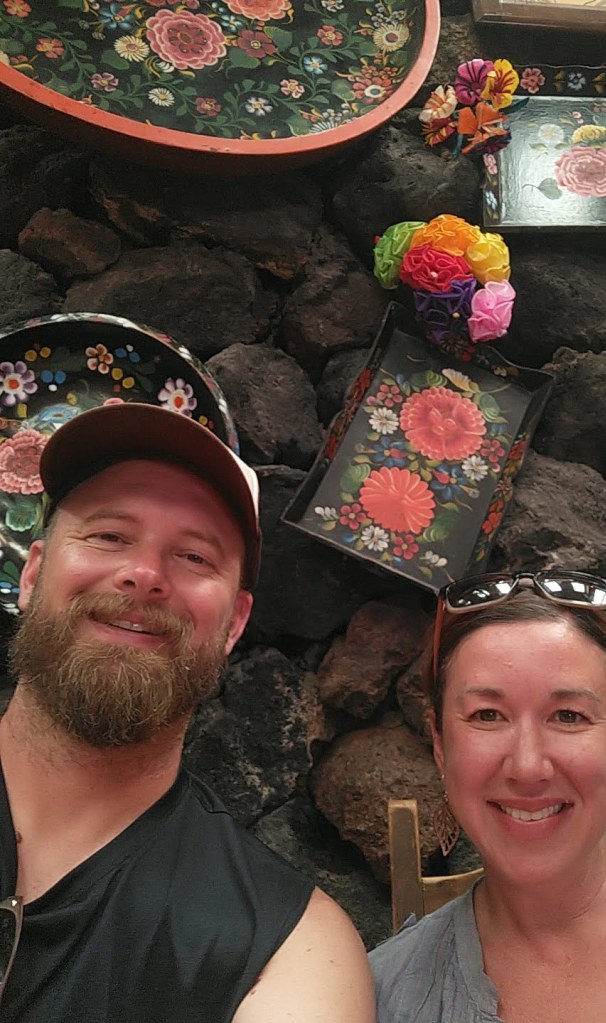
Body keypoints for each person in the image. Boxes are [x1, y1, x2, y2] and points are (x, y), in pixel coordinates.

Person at [0, 402, 375, 1023]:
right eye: (109, 536)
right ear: (34, 574)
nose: (143, 575)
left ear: (235, 623)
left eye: (195, 557)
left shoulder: (285, 951)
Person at [369, 571, 606, 1023]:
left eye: (568, 716)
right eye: (487, 715)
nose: (527, 767)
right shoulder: (377, 1001)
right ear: (440, 746)